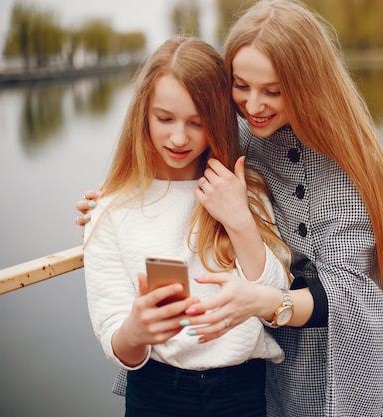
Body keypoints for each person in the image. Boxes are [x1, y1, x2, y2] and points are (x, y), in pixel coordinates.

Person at [77, 1, 383, 416]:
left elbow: (356, 296)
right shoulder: (235, 130)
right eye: (240, 86)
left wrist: (264, 298)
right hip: (258, 372)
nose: (253, 106)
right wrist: (113, 198)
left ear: (307, 85)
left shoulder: (343, 163)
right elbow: (175, 142)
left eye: (273, 91)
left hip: (334, 363)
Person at [82, 35, 292, 417]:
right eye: (164, 119)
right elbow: (116, 341)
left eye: (197, 123)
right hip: (156, 394)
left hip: (242, 393)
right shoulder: (110, 210)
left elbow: (275, 299)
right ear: (143, 114)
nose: (179, 138)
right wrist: (135, 330)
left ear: (219, 122)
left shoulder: (243, 190)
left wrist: (240, 220)